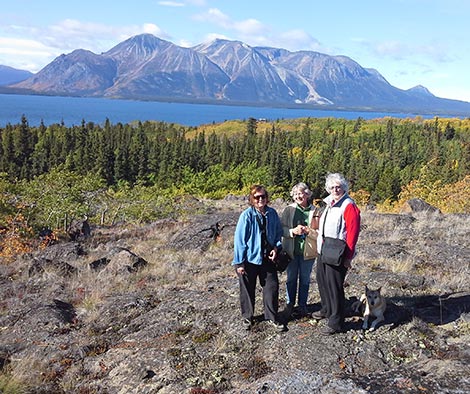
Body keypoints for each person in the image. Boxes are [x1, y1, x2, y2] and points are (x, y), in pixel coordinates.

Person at [313, 173, 361, 335]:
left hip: (338, 252)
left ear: (344, 188)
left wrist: (348, 257)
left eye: (338, 186)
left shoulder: (348, 205)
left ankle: (336, 322)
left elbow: (353, 233)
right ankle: (327, 309)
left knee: (334, 287)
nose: (335, 189)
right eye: (332, 187)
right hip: (324, 249)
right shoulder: (329, 203)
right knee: (322, 281)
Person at [232, 184, 285, 331]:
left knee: (271, 288)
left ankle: (271, 317)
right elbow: (240, 241)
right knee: (247, 289)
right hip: (249, 259)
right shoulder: (246, 215)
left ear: (267, 198)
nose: (260, 199)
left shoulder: (272, 213)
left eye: (263, 196)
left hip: (268, 258)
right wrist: (239, 263)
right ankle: (247, 317)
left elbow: (278, 234)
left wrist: (275, 248)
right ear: (252, 199)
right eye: (257, 197)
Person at [281, 182, 322, 318]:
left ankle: (302, 305)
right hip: (291, 252)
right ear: (293, 196)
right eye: (296, 194)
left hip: (308, 253)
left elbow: (320, 233)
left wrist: (308, 231)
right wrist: (293, 231)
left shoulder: (315, 211)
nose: (299, 196)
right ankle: (289, 304)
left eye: (302, 193)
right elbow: (281, 230)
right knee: (291, 279)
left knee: (305, 280)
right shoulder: (288, 210)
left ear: (307, 194)